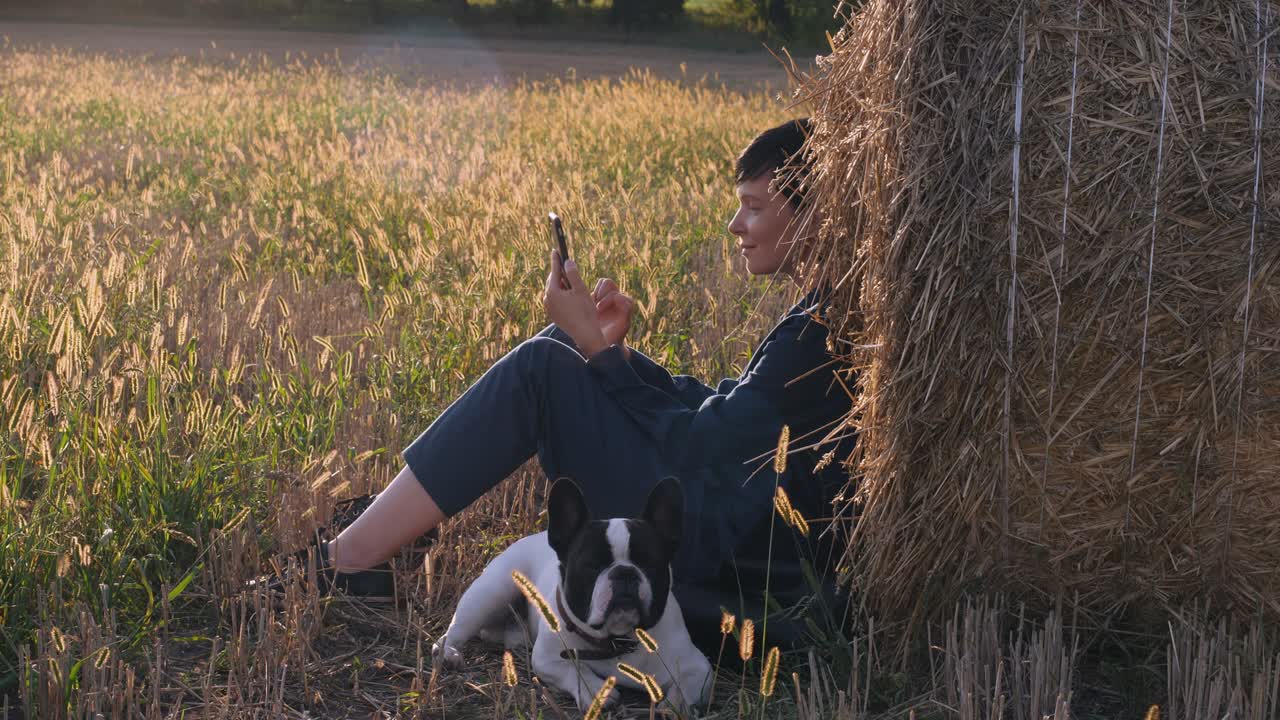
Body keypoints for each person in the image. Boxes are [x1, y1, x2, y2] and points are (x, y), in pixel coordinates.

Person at [252, 118, 855, 656]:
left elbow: (703, 444)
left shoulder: (819, 330)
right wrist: (613, 353)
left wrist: (600, 354)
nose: (734, 225)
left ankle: (351, 561)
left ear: (814, 214)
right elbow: (725, 412)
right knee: (563, 345)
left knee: (545, 368)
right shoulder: (823, 311)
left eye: (753, 206)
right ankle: (377, 538)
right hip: (731, 515)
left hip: (728, 544)